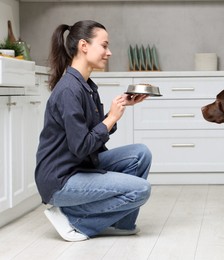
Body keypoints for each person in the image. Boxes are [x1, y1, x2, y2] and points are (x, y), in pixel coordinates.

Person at [35, 20, 151, 242]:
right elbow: (81, 147)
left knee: (141, 153)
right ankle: (72, 219)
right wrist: (111, 118)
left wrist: (118, 109)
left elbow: (92, 134)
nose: (109, 52)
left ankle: (122, 223)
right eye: (104, 45)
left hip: (80, 166)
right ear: (83, 46)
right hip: (62, 179)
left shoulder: (86, 86)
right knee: (141, 190)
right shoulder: (69, 90)